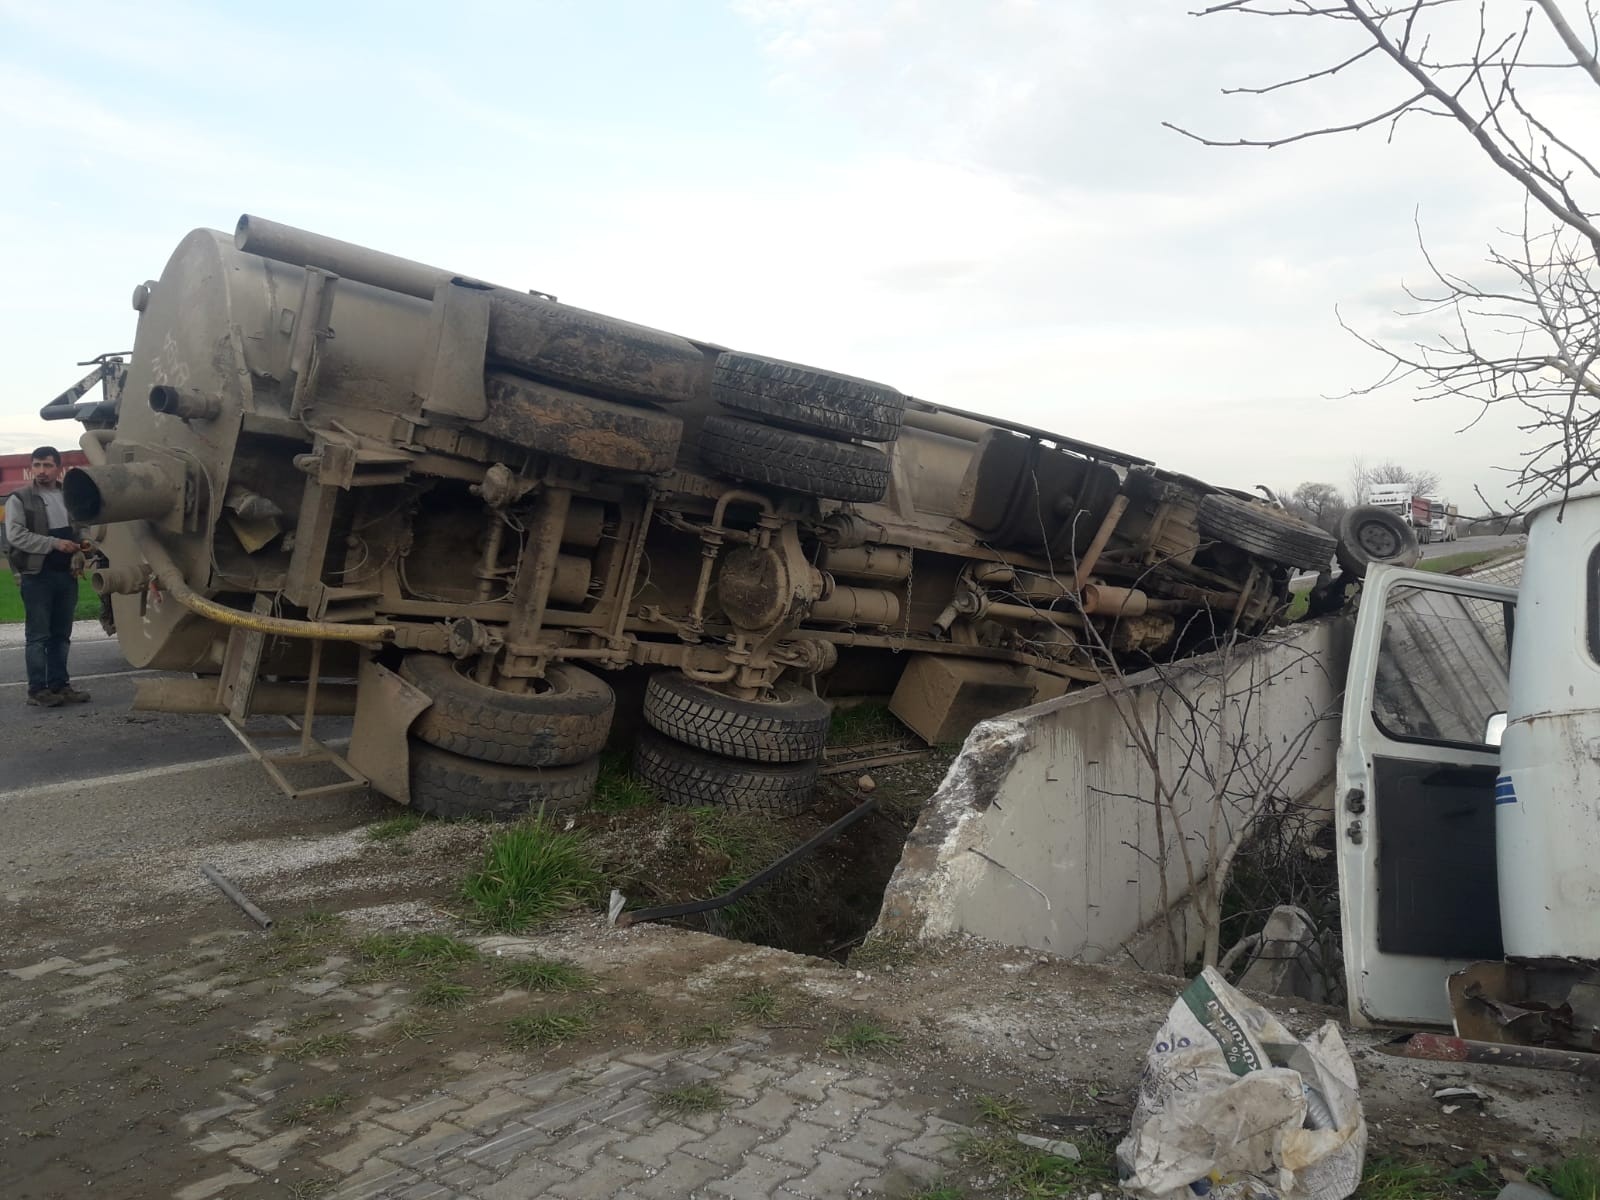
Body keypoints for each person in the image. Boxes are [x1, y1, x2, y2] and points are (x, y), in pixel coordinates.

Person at [4, 447, 91, 707]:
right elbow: (16, 535)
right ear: (32, 467)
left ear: (58, 468)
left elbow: (82, 526)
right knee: (38, 636)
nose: (41, 471)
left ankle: (59, 685)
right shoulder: (20, 498)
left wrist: (84, 545)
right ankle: (37, 690)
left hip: (67, 574)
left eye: (47, 465)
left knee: (61, 635)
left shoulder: (68, 495)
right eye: (37, 465)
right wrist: (54, 543)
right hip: (37, 576)